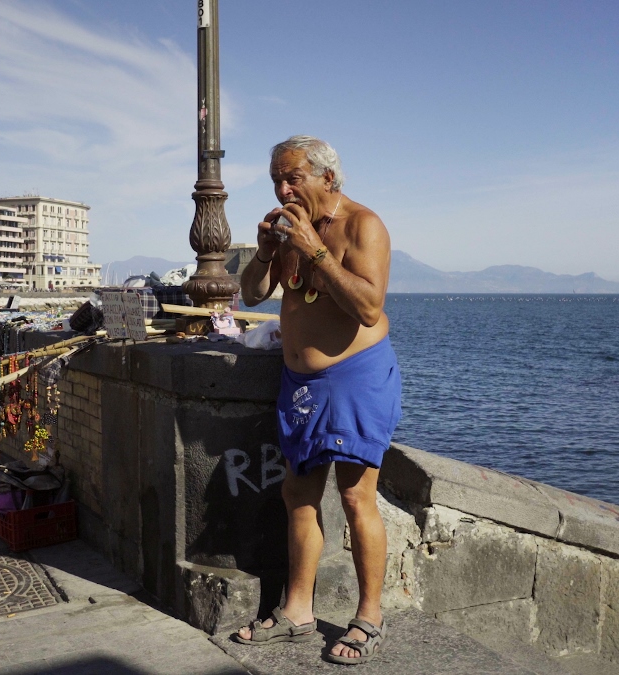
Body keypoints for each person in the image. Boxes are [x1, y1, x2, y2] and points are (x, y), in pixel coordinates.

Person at [233, 136, 400, 665]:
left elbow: (369, 307)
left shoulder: (363, 225)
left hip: (356, 377)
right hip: (299, 383)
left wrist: (315, 252)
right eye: (277, 179)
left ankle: (369, 616)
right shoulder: (286, 226)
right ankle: (297, 611)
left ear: (328, 177)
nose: (283, 188)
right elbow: (254, 292)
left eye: (293, 177)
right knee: (297, 494)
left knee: (356, 498)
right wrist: (265, 252)